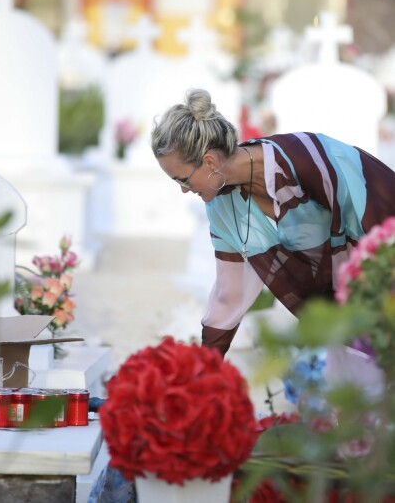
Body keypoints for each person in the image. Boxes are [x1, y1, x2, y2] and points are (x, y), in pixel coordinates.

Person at [151, 88, 395, 356]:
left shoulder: (305, 158)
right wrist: (206, 369)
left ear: (209, 161)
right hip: (345, 311)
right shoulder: (221, 205)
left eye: (182, 179)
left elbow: (376, 222)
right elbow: (228, 293)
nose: (184, 190)